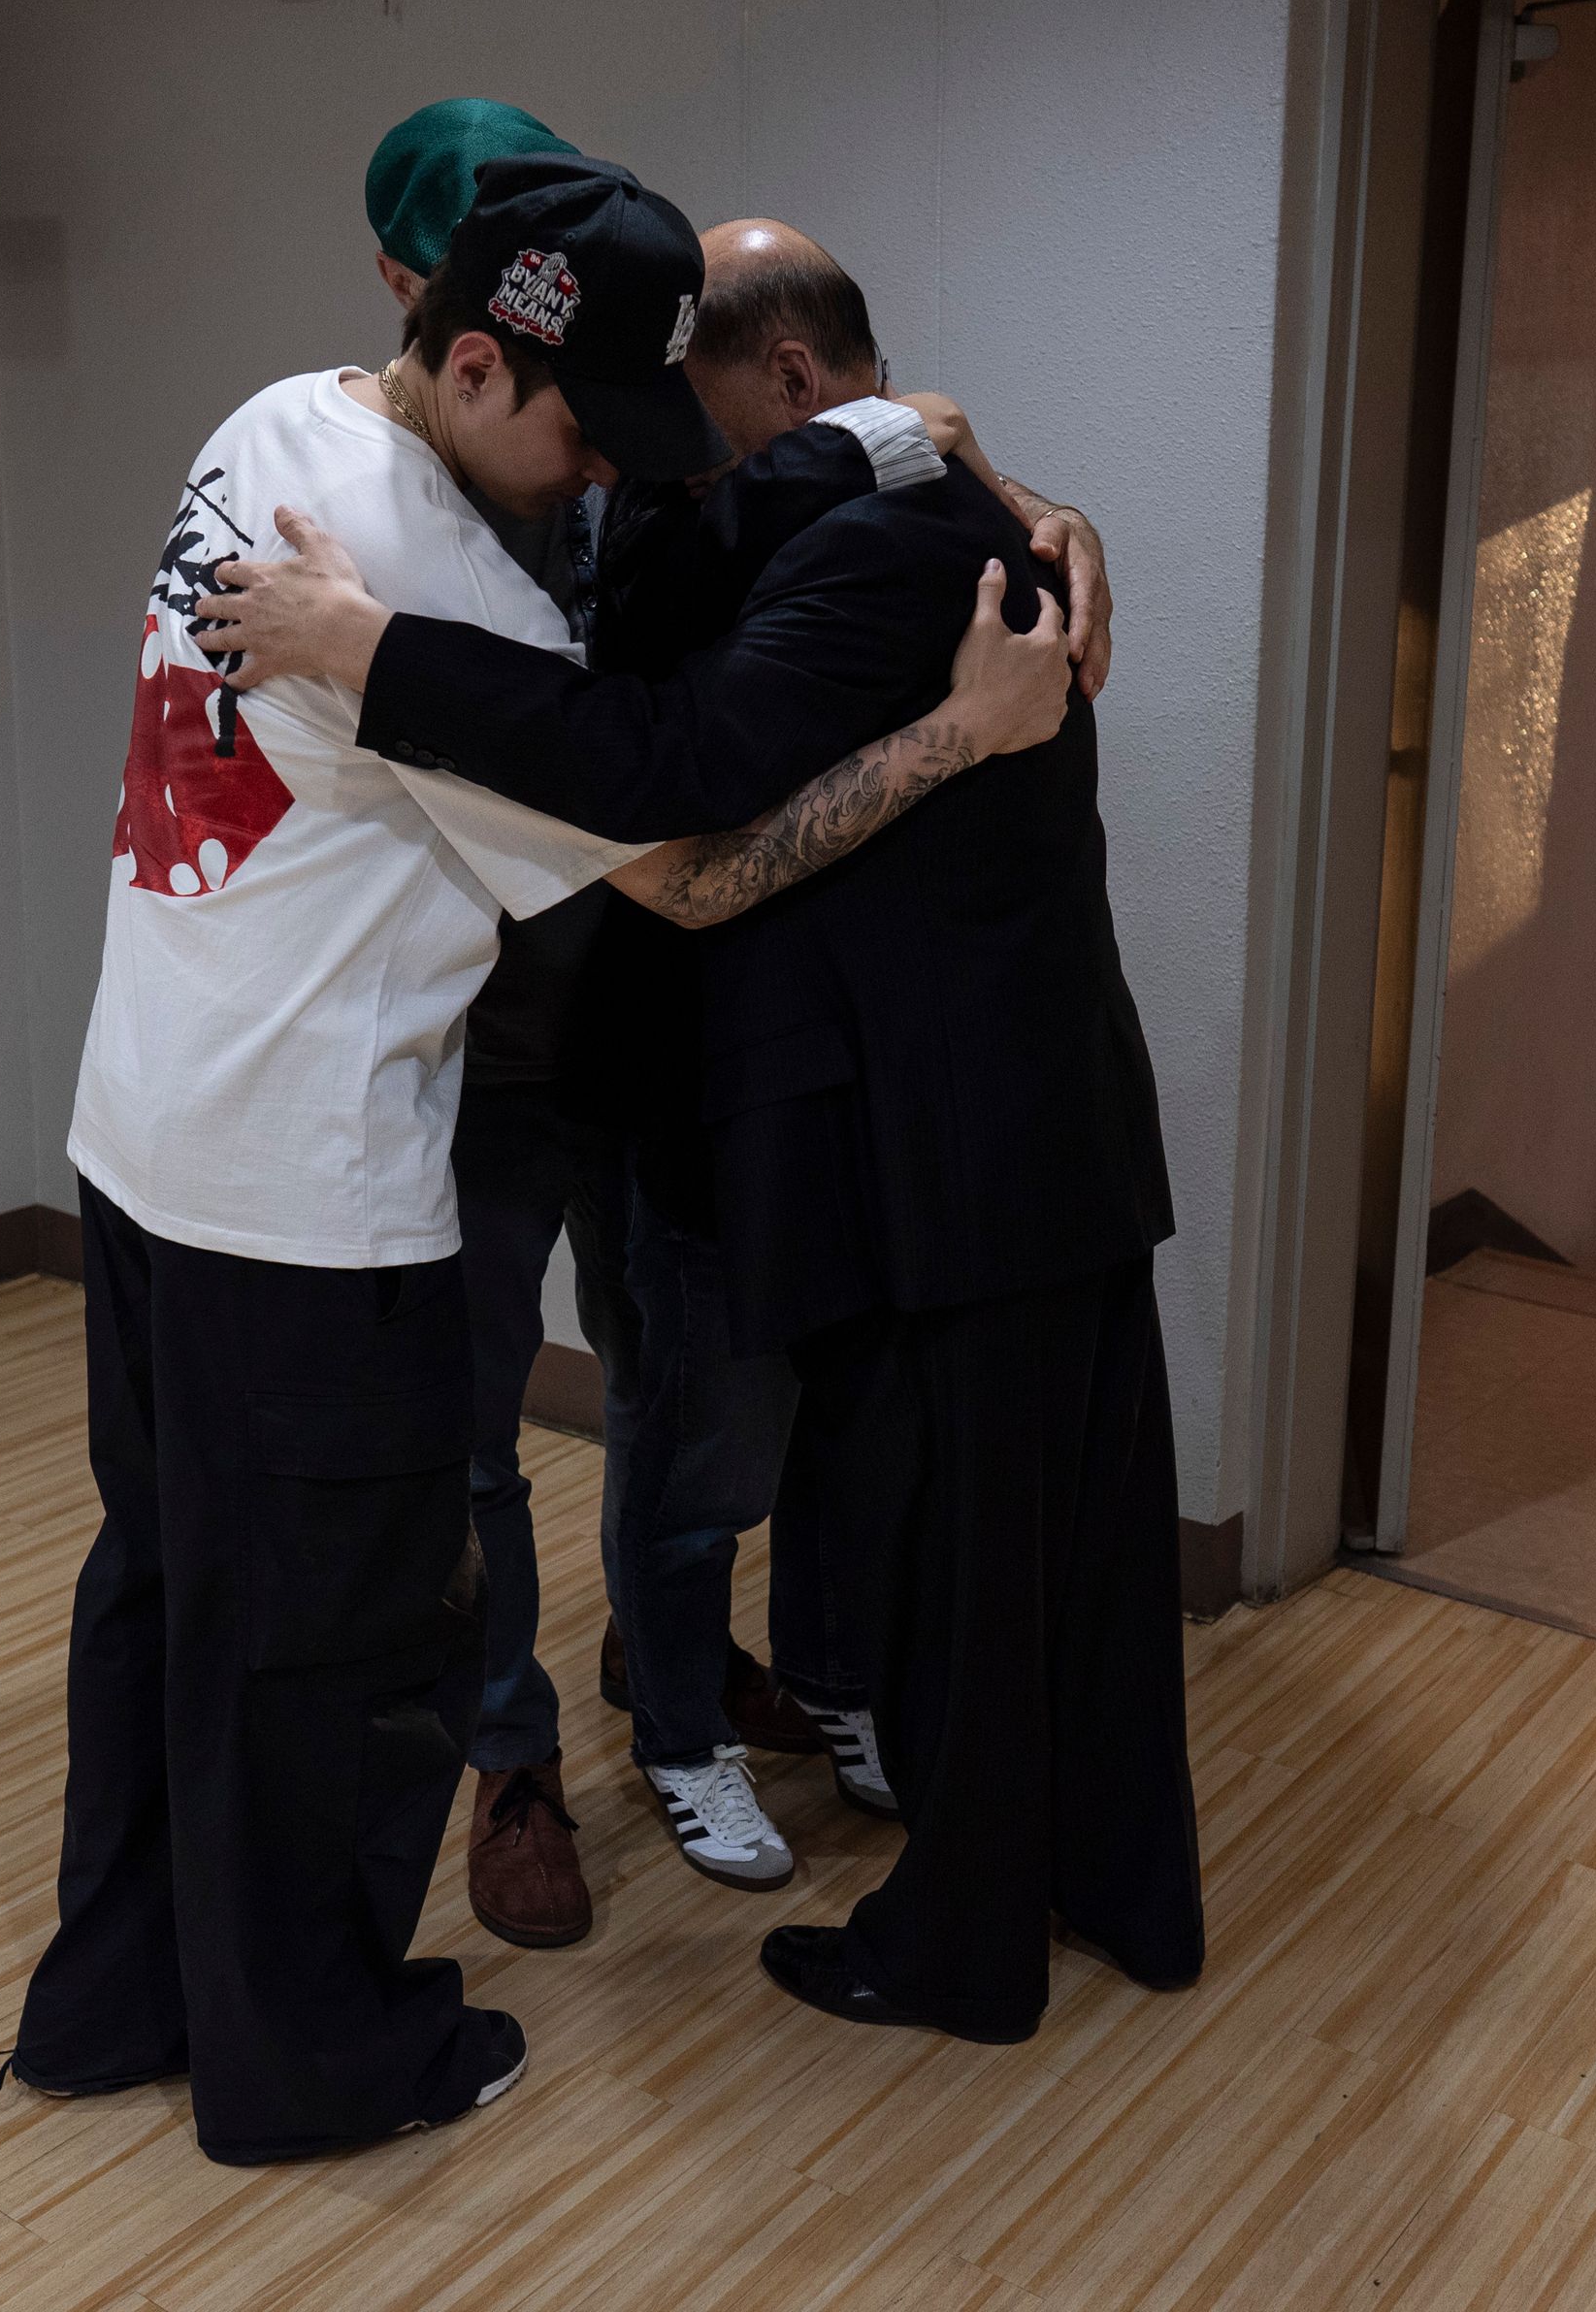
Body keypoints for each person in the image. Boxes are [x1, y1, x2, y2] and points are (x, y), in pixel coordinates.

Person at [4, 158, 1071, 2162]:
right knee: (331, 1651)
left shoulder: (276, 421)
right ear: (481, 355)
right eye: (585, 429)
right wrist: (961, 734)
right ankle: (315, 2057)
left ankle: (116, 1994)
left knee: (164, 1595)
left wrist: (898, 438)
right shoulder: (447, 602)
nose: (601, 480)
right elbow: (690, 862)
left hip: (137, 1148)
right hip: (306, 1208)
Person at [193, 217, 1202, 2049]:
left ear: (792, 381)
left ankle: (963, 1942)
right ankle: (1115, 1879)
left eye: (704, 417)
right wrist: (907, 441)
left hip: (954, 1151)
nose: (657, 461)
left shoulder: (888, 542)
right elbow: (691, 590)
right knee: (1059, 1541)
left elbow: (662, 757)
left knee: (960, 1551)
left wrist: (362, 646)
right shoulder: (879, 498)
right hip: (994, 1129)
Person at [357, 102, 1122, 1943]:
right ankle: (511, 1756)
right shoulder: (377, 494)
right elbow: (685, 825)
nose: (592, 425)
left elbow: (830, 460)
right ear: (425, 307)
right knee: (471, 1421)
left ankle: (668, 1666)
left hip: (661, 1037)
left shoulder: (656, 448)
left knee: (699, 1410)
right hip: (466, 1029)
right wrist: (962, 719)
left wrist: (996, 479)